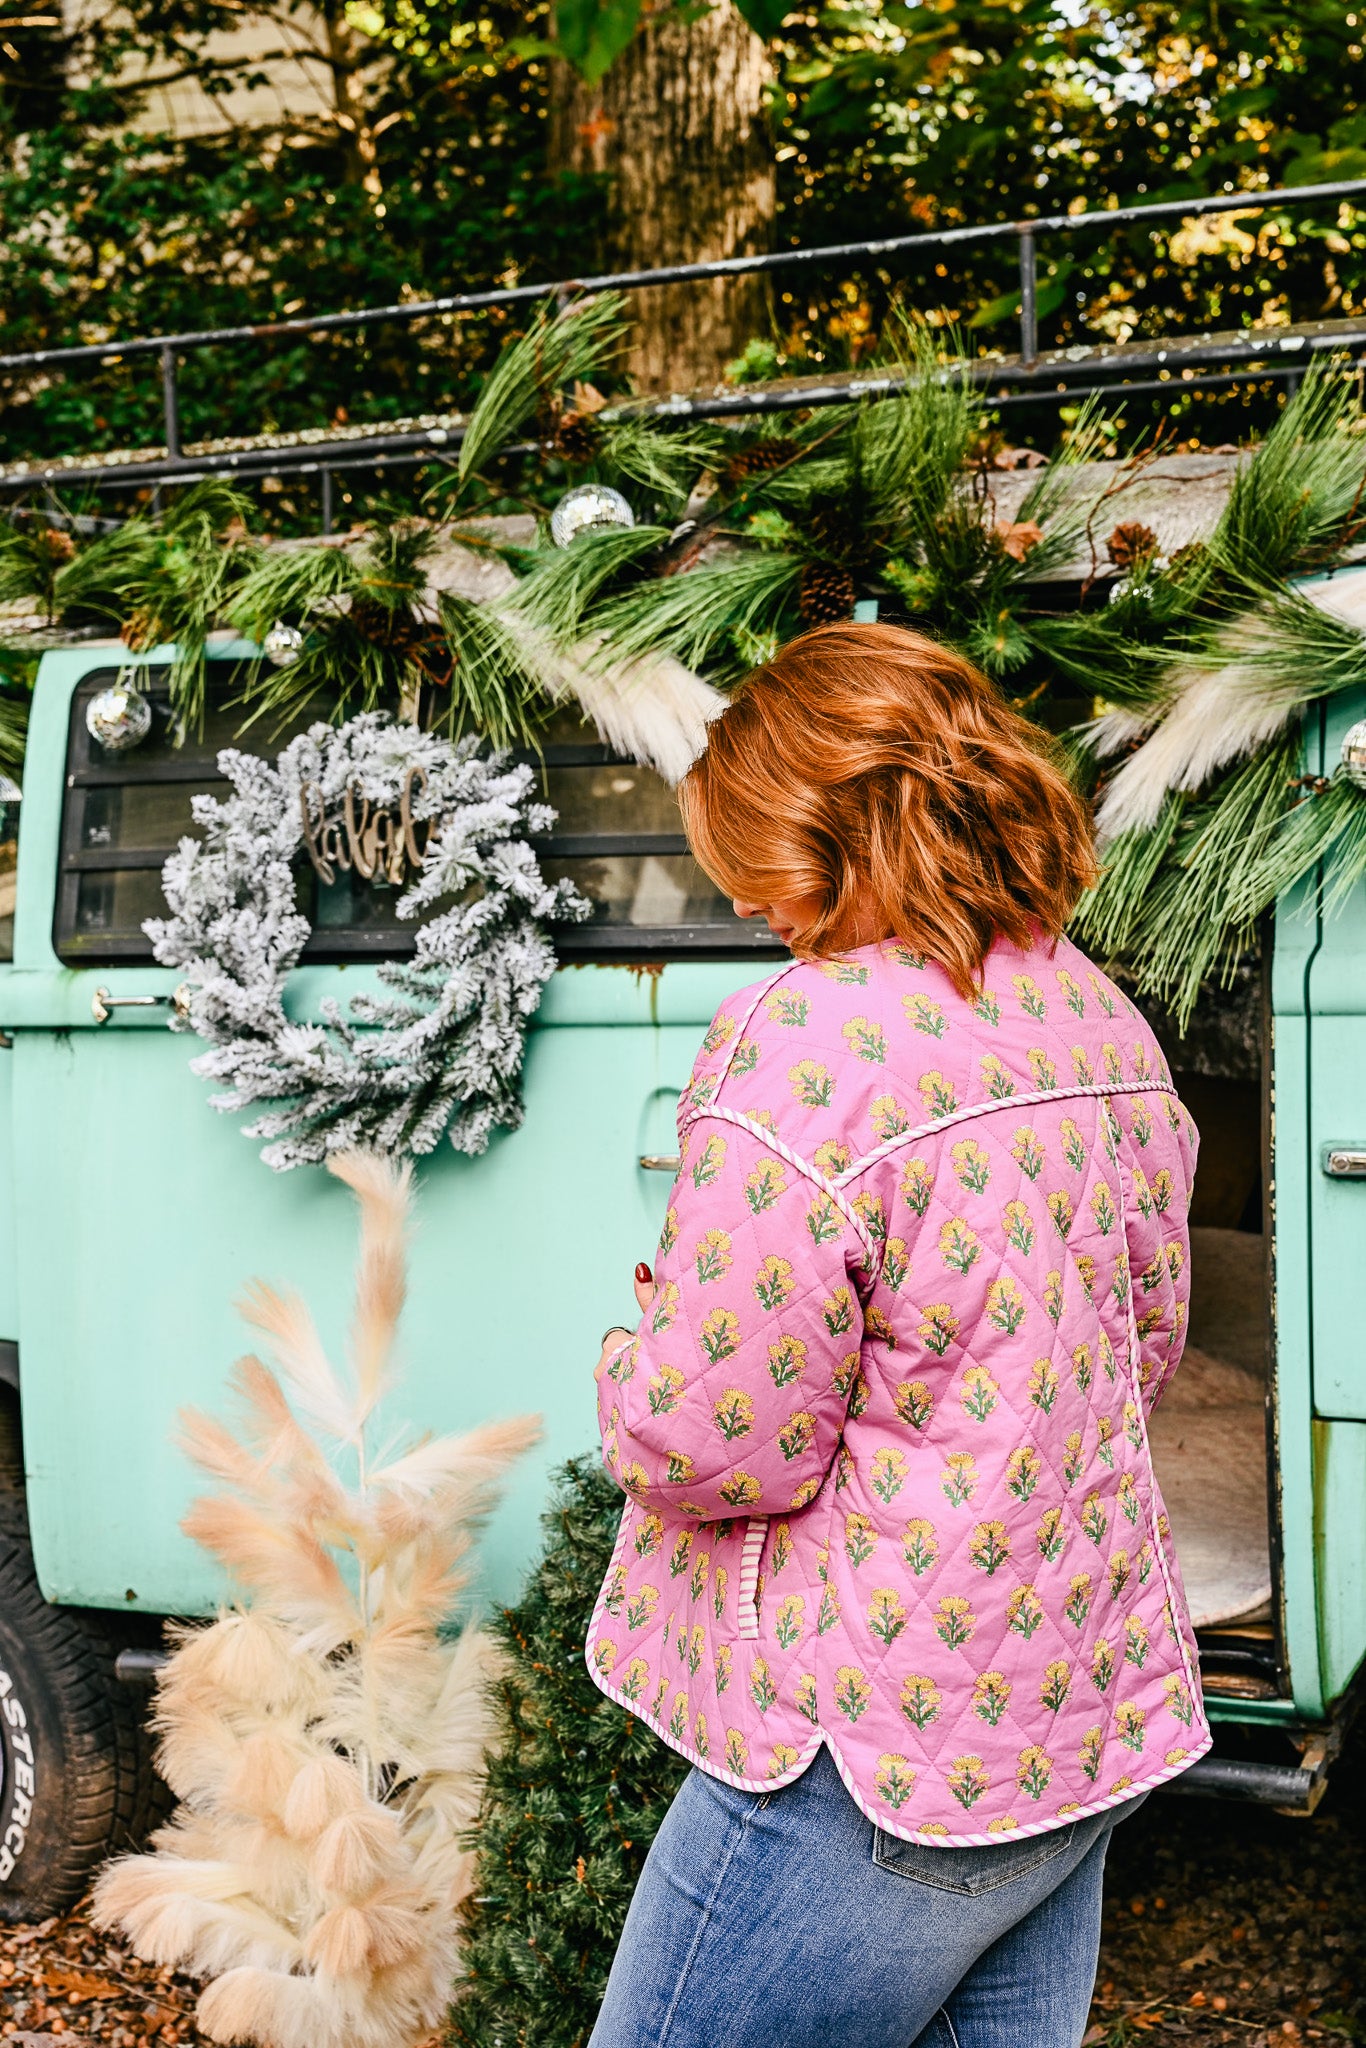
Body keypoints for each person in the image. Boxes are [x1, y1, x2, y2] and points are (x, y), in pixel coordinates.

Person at [586, 621, 1208, 2048]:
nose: (746, 902)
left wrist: (634, 1368)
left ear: (825, 829)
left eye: (749, 856)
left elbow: (712, 1441)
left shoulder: (801, 1038)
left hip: (868, 1740)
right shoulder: (1092, 1014)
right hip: (1073, 1705)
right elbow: (1144, 1342)